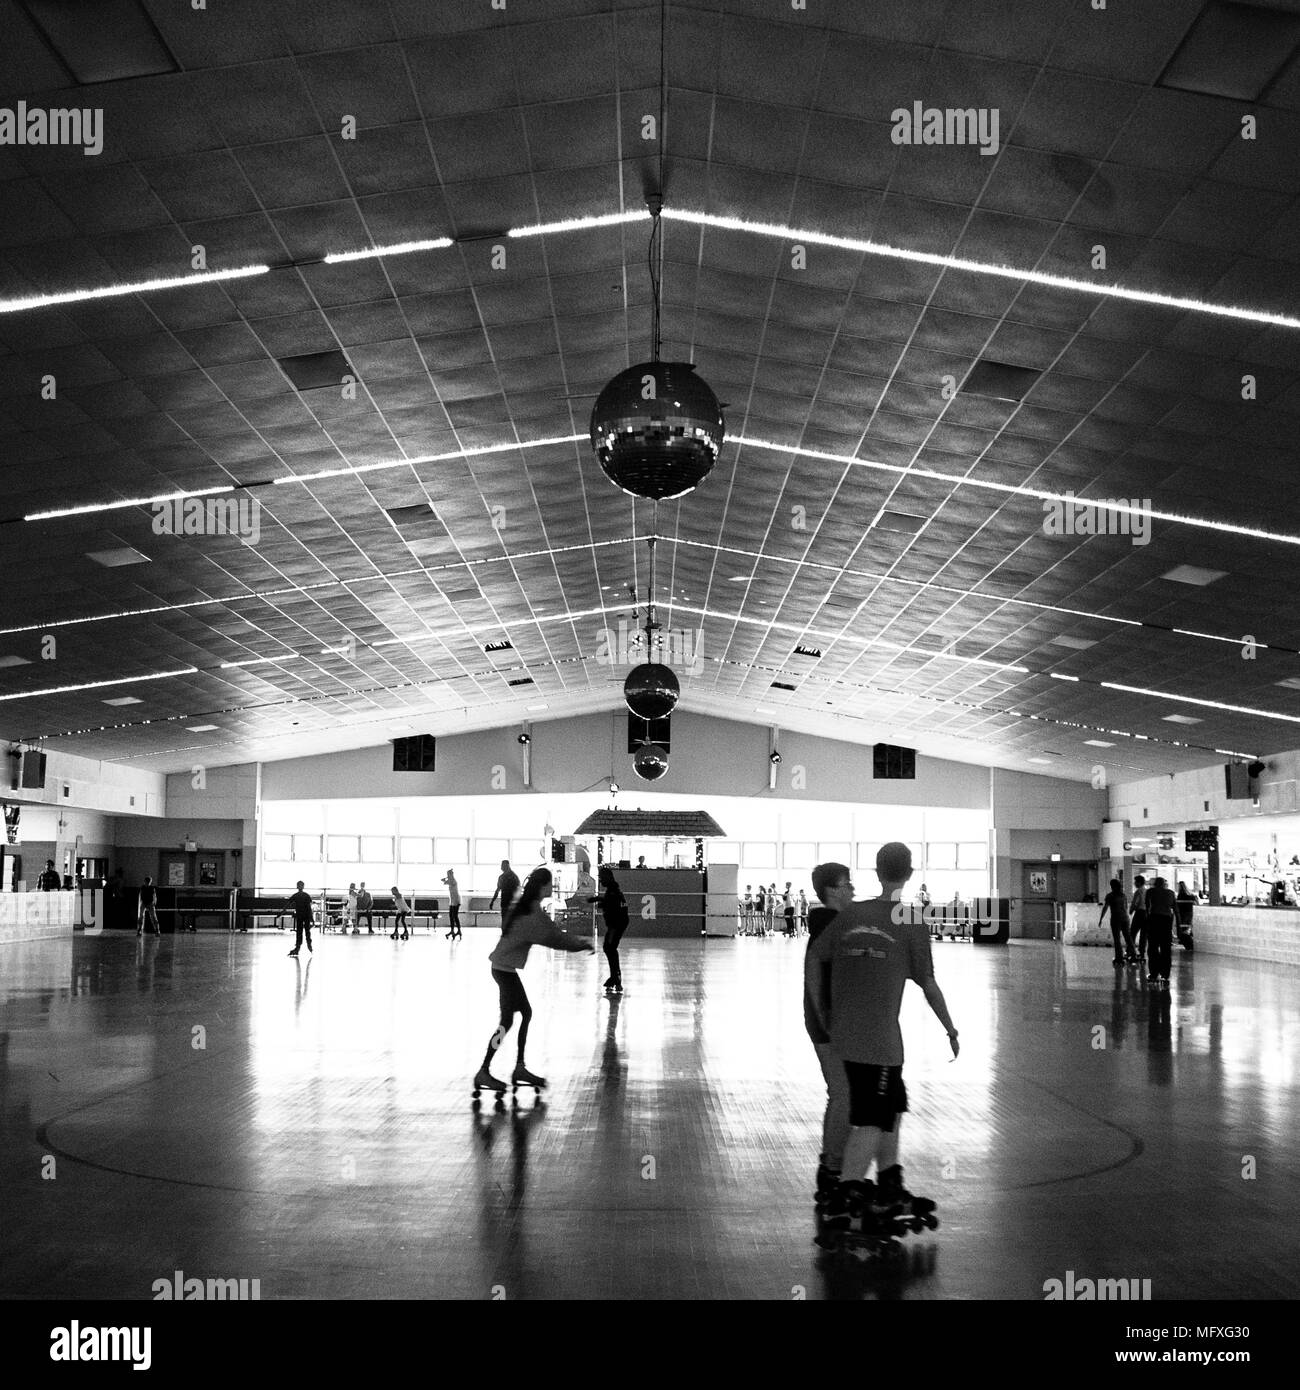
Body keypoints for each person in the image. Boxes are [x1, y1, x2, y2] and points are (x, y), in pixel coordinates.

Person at [806, 843, 958, 1227]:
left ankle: (888, 1183)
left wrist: (824, 1013)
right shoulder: (910, 919)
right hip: (878, 1044)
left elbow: (815, 957)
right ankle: (849, 1193)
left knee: (891, 1108)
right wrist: (950, 1028)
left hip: (846, 1036)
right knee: (872, 1119)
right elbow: (928, 983)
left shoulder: (852, 915)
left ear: (876, 873)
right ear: (909, 874)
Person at [473, 867, 594, 1097]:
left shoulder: (526, 907)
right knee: (511, 1020)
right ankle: (488, 1070)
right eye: (550, 883)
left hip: (502, 968)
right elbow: (553, 937)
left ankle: (514, 1067)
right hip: (504, 970)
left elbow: (550, 933)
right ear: (543, 886)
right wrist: (580, 944)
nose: (552, 887)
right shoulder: (531, 913)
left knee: (518, 1016)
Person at [805, 862, 855, 1204]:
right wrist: (827, 1024)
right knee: (843, 1094)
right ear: (832, 891)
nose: (852, 889)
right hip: (829, 1026)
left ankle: (838, 1164)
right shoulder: (829, 928)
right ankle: (832, 1170)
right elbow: (814, 980)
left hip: (840, 1023)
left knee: (843, 1094)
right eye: (846, 884)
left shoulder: (837, 926)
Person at [590, 865, 629, 993]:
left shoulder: (613, 891)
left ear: (607, 878)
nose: (601, 881)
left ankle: (616, 978)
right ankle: (615, 977)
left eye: (602, 878)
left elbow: (614, 907)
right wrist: (599, 900)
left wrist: (602, 903)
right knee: (610, 948)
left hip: (616, 925)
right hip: (618, 923)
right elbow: (611, 902)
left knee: (609, 948)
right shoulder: (613, 890)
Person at [1145, 876, 1176, 989]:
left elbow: (1147, 908)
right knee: (1165, 948)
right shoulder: (1171, 893)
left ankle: (1154, 973)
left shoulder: (1150, 891)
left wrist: (1147, 923)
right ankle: (1165, 974)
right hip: (1166, 921)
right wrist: (1178, 927)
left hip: (1154, 919)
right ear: (1164, 884)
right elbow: (1175, 910)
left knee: (1153, 948)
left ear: (1155, 884)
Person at [1098, 877, 1137, 966]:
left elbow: (1105, 908)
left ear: (1112, 886)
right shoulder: (1123, 895)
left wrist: (1101, 919)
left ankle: (1119, 957)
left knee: (1117, 939)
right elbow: (1126, 907)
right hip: (1125, 918)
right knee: (1128, 938)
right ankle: (1133, 955)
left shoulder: (1110, 896)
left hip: (1116, 919)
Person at [488, 859, 520, 926]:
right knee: (508, 921)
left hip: (509, 903)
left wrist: (492, 901)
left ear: (507, 866)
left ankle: (506, 934)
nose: (501, 867)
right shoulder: (512, 877)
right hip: (508, 903)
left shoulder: (508, 877)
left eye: (502, 866)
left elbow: (498, 890)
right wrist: (492, 901)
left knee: (508, 921)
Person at [287, 880, 314, 957]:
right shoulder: (306, 895)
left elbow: (288, 904)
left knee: (300, 932)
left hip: (301, 916)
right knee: (306, 931)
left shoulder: (296, 895)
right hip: (304, 916)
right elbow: (309, 908)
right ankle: (308, 945)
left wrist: (282, 912)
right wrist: (311, 918)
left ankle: (299, 947)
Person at [1130, 874, 1149, 964]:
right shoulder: (1146, 891)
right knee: (1143, 935)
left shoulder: (1138, 892)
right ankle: (1142, 953)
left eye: (1135, 882)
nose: (1134, 883)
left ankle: (1131, 952)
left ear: (1139, 882)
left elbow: (1135, 903)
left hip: (1139, 913)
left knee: (1132, 933)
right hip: (1146, 914)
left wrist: (1131, 911)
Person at [1175, 881, 1196, 952]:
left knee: (1183, 930)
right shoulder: (1190, 894)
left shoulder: (1180, 895)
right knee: (1187, 929)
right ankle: (1190, 944)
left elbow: (1177, 905)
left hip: (1183, 914)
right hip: (1190, 913)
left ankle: (1188, 945)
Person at [443, 869, 462, 940]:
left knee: (455, 916)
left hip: (456, 900)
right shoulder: (451, 880)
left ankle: (459, 930)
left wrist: (447, 878)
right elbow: (443, 881)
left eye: (448, 874)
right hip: (452, 900)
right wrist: (446, 878)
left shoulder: (453, 881)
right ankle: (452, 930)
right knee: (451, 916)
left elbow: (445, 882)